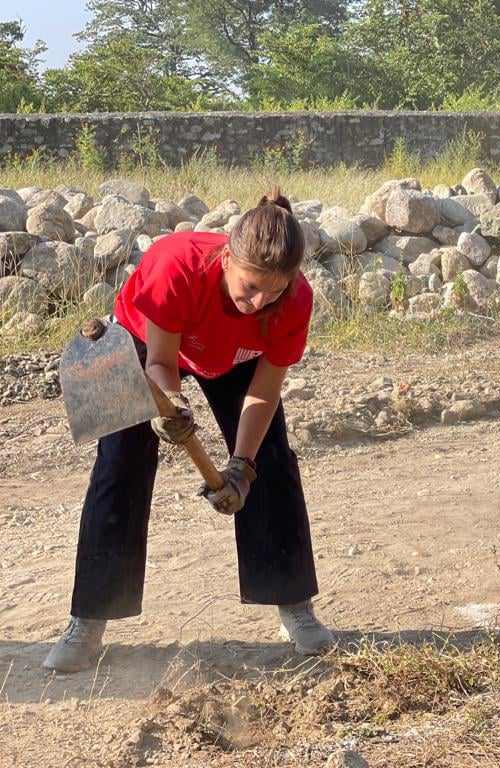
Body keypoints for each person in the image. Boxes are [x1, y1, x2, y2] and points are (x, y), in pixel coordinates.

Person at [44, 187, 335, 673]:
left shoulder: (294, 301)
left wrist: (241, 467)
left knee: (271, 457)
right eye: (249, 287)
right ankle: (89, 619)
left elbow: (263, 392)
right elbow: (160, 360)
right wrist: (171, 407)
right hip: (144, 343)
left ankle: (294, 604)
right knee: (121, 464)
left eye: (274, 291)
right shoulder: (174, 266)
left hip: (233, 356)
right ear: (226, 258)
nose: (258, 301)